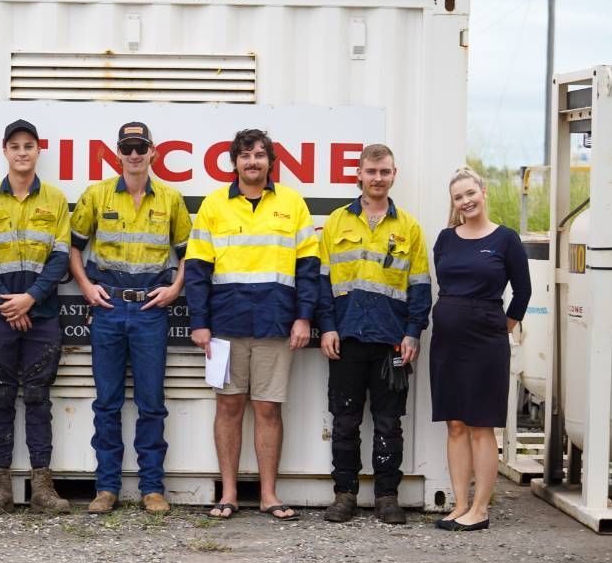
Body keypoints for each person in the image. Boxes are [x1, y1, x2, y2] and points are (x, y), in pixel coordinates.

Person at [186, 128, 319, 521]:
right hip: (225, 325)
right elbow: (196, 270)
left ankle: (268, 495)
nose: (253, 162)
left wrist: (304, 316)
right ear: (234, 162)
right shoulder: (214, 206)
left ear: (270, 162)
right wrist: (199, 323)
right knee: (228, 407)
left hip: (276, 324)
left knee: (268, 410)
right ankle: (228, 494)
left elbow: (308, 269)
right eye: (245, 155)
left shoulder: (293, 204)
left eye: (260, 155)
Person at [69, 121, 192, 515]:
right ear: (118, 153)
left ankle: (152, 488)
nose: (135, 155)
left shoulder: (171, 200)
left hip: (150, 312)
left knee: (151, 403)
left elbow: (189, 253)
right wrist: (87, 288)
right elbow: (73, 248)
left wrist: (174, 290)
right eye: (128, 148)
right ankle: (106, 488)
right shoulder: (96, 195)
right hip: (107, 309)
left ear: (153, 151)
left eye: (141, 147)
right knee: (106, 403)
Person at [316, 143, 432, 524]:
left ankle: (387, 496)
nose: (378, 178)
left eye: (384, 172)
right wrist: (328, 327)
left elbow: (419, 286)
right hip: (346, 338)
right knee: (345, 421)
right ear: (359, 176)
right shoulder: (336, 222)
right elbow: (322, 282)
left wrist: (413, 331)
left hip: (391, 342)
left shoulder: (409, 227)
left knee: (388, 422)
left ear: (394, 175)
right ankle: (344, 494)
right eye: (371, 172)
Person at [0, 119, 72, 515]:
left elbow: (61, 255)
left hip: (41, 313)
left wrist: (29, 299)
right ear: (5, 150)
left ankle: (42, 486)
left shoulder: (56, 200)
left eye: (29, 145)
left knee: (39, 398)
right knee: (1, 397)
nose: (23, 152)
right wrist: (7, 303)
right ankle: (0, 487)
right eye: (16, 146)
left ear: (38, 150)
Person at [431, 167, 531, 532]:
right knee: (455, 423)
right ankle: (460, 504)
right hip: (447, 342)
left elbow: (523, 293)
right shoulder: (445, 239)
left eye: (470, 193)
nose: (466, 201)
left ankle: (481, 508)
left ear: (483, 191)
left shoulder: (505, 239)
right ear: (454, 203)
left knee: (480, 424)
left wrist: (497, 327)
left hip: (486, 342)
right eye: (458, 197)